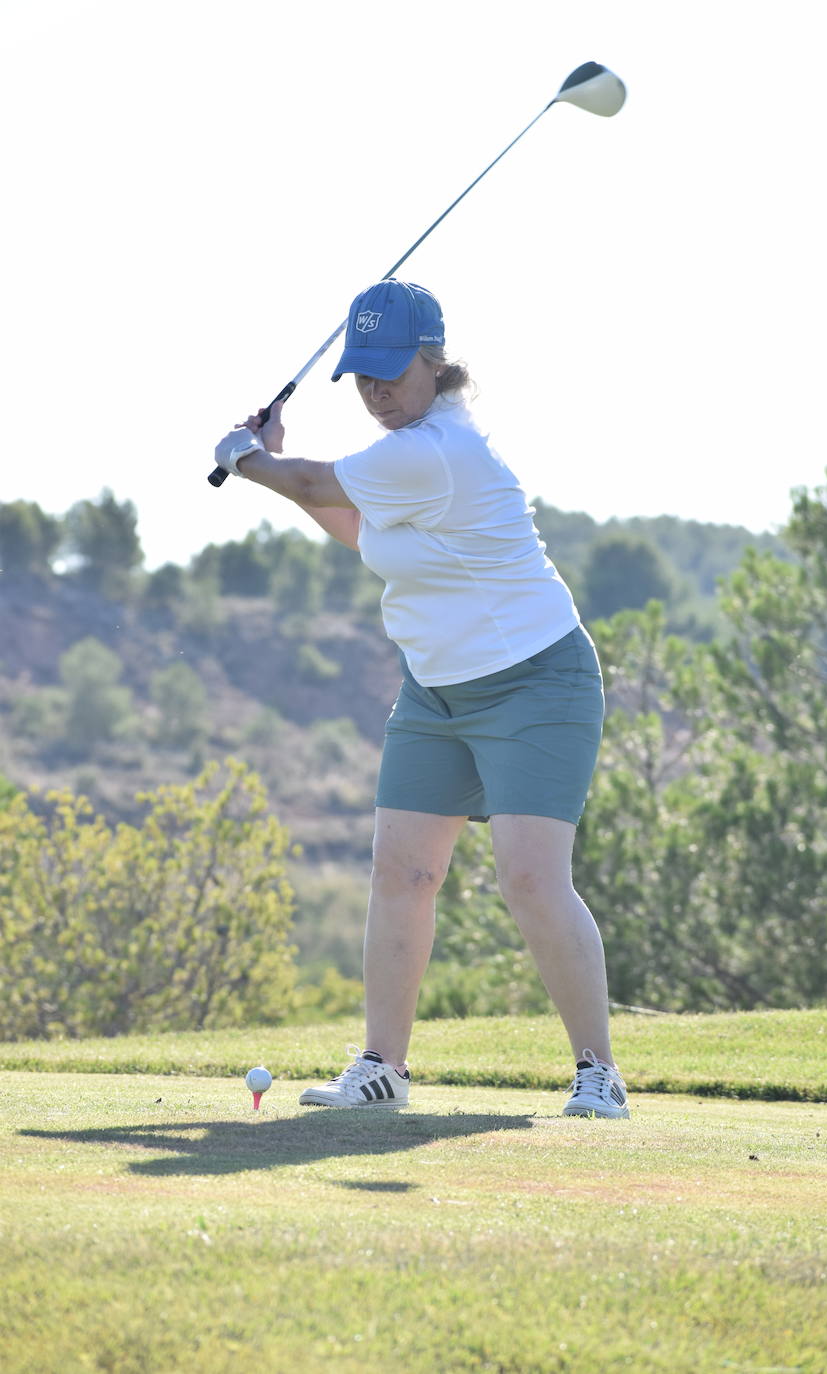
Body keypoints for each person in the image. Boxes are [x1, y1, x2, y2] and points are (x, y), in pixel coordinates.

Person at [213, 278, 629, 1120]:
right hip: (436, 691)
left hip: (534, 682)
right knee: (401, 871)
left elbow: (307, 482)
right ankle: (382, 1068)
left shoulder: (438, 449)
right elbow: (355, 524)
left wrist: (243, 456)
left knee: (530, 878)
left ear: (434, 363)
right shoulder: (404, 456)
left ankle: (599, 1074)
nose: (375, 391)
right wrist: (276, 469)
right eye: (361, 376)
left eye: (390, 373)